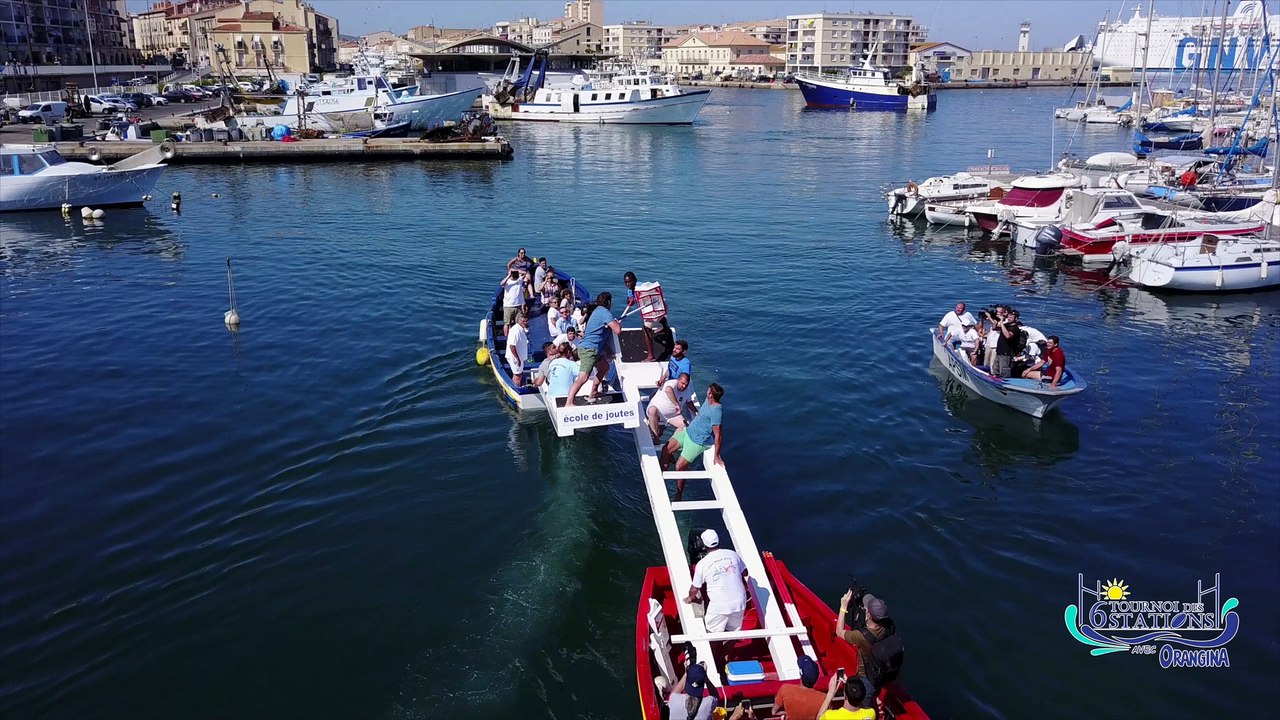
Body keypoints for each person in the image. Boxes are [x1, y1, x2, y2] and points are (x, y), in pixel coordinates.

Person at [836, 590, 900, 703]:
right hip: (882, 675)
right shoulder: (889, 626)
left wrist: (843, 607)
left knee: (864, 706)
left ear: (869, 615)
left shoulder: (861, 636)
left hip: (867, 680)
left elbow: (839, 631)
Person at [684, 528, 749, 633]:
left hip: (719, 606)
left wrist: (689, 598)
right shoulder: (733, 554)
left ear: (704, 546)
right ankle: (728, 650)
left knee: (712, 632)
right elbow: (745, 573)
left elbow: (695, 588)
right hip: (740, 602)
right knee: (734, 633)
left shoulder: (702, 564)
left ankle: (715, 648)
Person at [564, 292, 623, 407]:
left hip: (592, 350)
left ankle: (594, 392)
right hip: (589, 350)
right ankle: (569, 402)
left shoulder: (596, 312)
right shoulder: (604, 312)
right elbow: (618, 330)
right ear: (609, 302)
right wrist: (617, 323)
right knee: (583, 377)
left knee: (604, 367)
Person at [661, 383, 724, 488]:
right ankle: (661, 477)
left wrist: (716, 456)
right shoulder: (708, 401)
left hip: (697, 442)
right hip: (688, 432)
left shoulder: (716, 412)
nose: (706, 391)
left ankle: (679, 493)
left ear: (711, 395)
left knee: (679, 466)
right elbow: (693, 405)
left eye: (708, 391)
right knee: (665, 449)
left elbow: (718, 435)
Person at [773, 655, 830, 720]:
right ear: (817, 678)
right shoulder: (824, 698)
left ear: (800, 673)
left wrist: (786, 713)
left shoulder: (786, 689)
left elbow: (774, 712)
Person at [648, 372, 696, 443]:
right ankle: (656, 438)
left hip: (673, 416)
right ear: (678, 380)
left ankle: (670, 444)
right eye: (682, 383)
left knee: (684, 425)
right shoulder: (671, 383)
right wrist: (676, 404)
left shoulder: (687, 390)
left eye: (686, 384)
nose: (684, 386)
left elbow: (689, 402)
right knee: (652, 410)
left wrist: (696, 412)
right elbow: (668, 390)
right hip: (658, 412)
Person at [992, 309, 1020, 378]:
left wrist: (1001, 323)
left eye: (1011, 317)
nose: (1009, 318)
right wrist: (996, 319)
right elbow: (994, 328)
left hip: (1006, 353)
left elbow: (1008, 335)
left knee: (1004, 371)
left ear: (1016, 318)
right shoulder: (1006, 325)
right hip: (999, 351)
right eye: (1008, 317)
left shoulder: (1015, 329)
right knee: (995, 370)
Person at [505, 312, 530, 387]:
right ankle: (516, 390)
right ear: (518, 321)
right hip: (515, 358)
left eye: (526, 321)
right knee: (517, 376)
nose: (525, 323)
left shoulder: (521, 329)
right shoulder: (515, 331)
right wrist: (517, 359)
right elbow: (512, 346)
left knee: (518, 374)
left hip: (519, 356)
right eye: (523, 321)